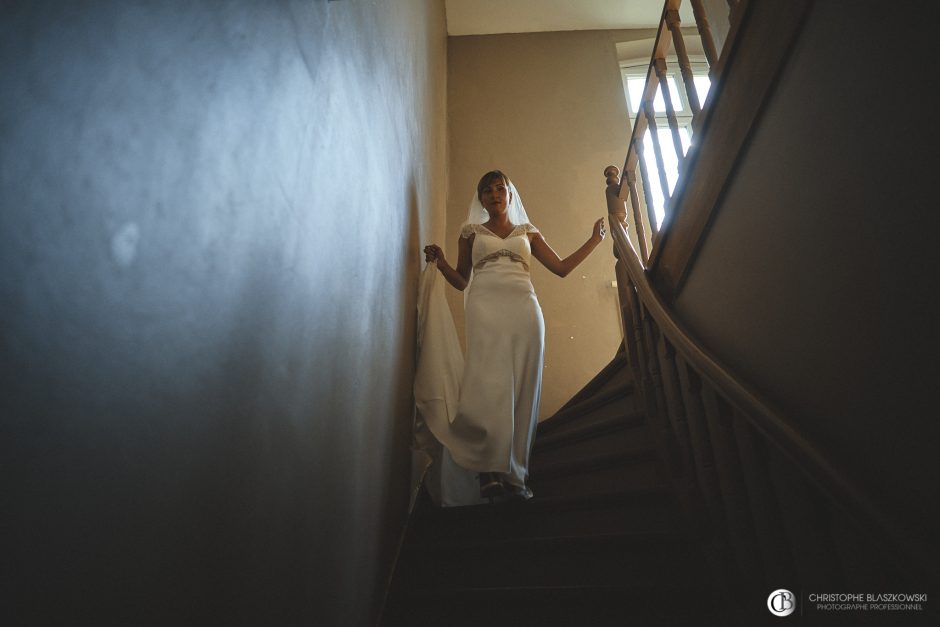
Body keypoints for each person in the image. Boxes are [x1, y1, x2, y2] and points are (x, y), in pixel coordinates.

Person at [422, 170, 606, 502]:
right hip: (485, 307)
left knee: (523, 383)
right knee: (488, 383)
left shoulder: (528, 232)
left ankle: (514, 472)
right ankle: (487, 468)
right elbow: (462, 281)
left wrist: (595, 239)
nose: (495, 195)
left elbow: (561, 268)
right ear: (480, 199)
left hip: (525, 307)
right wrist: (443, 262)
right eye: (488, 191)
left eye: (500, 189)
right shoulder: (470, 232)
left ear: (509, 195)